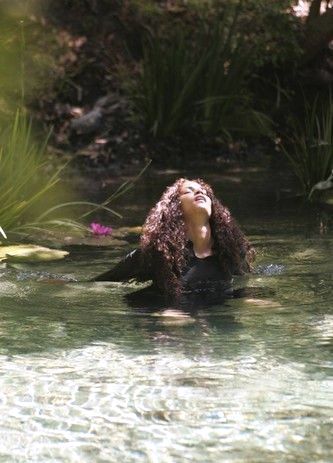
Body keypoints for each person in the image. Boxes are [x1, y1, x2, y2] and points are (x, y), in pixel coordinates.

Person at [92, 178, 255, 306]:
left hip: (221, 320)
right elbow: (104, 281)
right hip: (171, 325)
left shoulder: (231, 250)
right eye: (189, 191)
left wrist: (253, 298)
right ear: (175, 207)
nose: (200, 191)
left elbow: (243, 282)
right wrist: (163, 312)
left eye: (204, 191)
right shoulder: (159, 253)